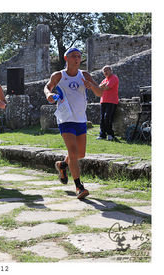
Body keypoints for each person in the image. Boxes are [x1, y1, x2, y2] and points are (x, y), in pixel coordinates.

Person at [44, 48, 103, 199]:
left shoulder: (84, 75)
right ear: (66, 58)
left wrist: (92, 86)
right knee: (72, 151)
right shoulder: (59, 75)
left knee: (80, 154)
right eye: (73, 56)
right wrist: (49, 94)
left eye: (79, 56)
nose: (76, 59)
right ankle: (79, 186)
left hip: (80, 119)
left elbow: (100, 93)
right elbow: (47, 87)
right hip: (65, 118)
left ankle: (62, 165)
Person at [97, 65, 119, 141]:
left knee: (107, 118)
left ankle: (110, 134)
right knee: (102, 118)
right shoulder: (105, 80)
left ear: (111, 70)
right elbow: (98, 87)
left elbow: (107, 88)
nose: (105, 72)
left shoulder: (114, 78)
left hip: (112, 101)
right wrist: (102, 86)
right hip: (103, 101)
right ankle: (102, 135)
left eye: (107, 70)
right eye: (104, 71)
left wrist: (102, 86)